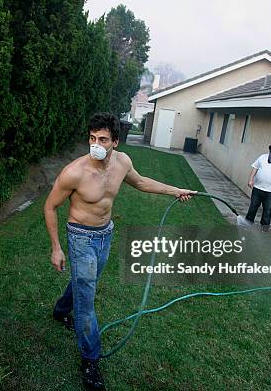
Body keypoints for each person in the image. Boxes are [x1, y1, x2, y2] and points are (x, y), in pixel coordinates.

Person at [44, 112, 196, 390]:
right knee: (87, 301)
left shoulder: (122, 162)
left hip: (105, 233)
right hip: (80, 237)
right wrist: (56, 248)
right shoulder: (75, 172)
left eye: (102, 139)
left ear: (116, 141)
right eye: (92, 138)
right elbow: (50, 206)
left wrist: (175, 190)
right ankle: (90, 359)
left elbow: (140, 182)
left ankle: (60, 309)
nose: (96, 145)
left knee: (84, 283)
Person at [244, 141, 271, 231]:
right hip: (257, 188)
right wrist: (250, 179)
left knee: (267, 210)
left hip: (270, 192)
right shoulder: (262, 157)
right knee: (253, 207)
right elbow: (255, 168)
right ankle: (247, 225)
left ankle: (264, 228)